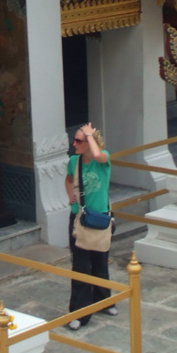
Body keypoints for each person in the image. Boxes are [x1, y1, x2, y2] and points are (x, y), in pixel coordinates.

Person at [65, 122, 117, 331]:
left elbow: (98, 157)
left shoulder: (103, 158)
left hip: (101, 217)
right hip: (80, 218)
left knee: (100, 262)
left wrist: (90, 136)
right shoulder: (73, 161)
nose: (74, 143)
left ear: (90, 143)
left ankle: (104, 300)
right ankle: (80, 312)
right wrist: (70, 193)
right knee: (80, 266)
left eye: (79, 140)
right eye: (75, 139)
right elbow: (69, 179)